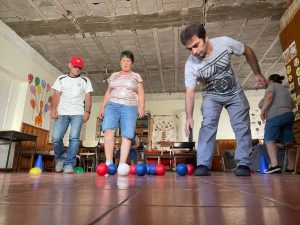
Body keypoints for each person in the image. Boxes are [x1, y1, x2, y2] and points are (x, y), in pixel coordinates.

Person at [180, 23, 267, 176]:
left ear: (205, 38)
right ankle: (203, 165)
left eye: (196, 45)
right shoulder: (190, 65)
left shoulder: (224, 42)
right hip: (211, 96)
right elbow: (190, 92)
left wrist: (257, 73)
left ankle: (243, 164)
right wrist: (188, 116)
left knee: (242, 127)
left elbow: (247, 50)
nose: (193, 52)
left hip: (235, 92)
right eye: (189, 49)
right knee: (207, 126)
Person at [97, 50, 145, 174]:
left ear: (132, 64)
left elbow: (141, 93)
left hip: (130, 106)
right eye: (123, 60)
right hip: (113, 105)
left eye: (128, 60)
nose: (125, 63)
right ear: (120, 62)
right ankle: (108, 162)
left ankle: (122, 164)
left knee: (127, 135)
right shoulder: (114, 75)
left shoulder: (136, 76)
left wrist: (141, 106)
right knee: (108, 130)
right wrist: (102, 107)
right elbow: (108, 92)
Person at [51, 56, 93, 174]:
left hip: (78, 113)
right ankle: (60, 158)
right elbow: (56, 96)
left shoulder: (85, 80)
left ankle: (69, 163)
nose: (77, 69)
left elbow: (88, 97)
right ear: (70, 65)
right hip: (62, 112)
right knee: (56, 137)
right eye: (75, 66)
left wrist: (87, 111)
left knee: (74, 138)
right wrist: (53, 110)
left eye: (79, 67)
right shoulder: (61, 78)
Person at [259, 74, 296, 173]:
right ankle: (291, 167)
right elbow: (293, 104)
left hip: (275, 116)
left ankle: (274, 166)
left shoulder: (272, 86)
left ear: (270, 80)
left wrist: (262, 111)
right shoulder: (285, 90)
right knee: (288, 142)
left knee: (269, 139)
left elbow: (270, 96)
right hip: (289, 115)